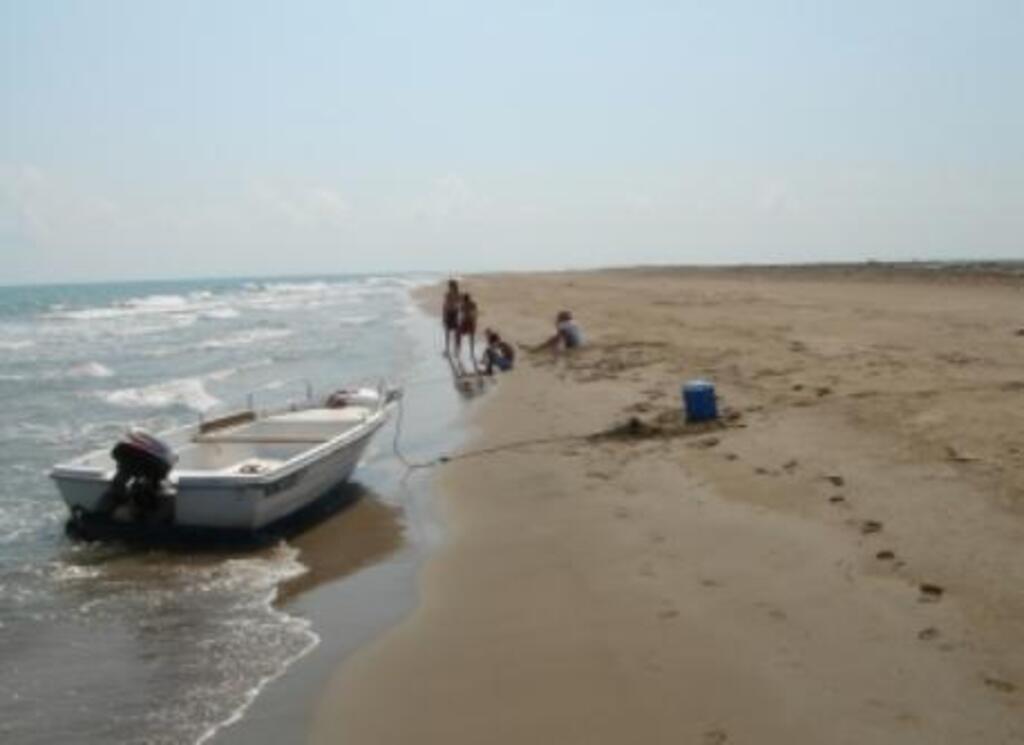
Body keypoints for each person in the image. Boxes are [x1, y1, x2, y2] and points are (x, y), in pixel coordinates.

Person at [457, 292, 480, 372]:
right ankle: (471, 352)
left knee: (463, 336)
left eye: (463, 299)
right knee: (471, 338)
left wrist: (461, 321)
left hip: (467, 322)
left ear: (465, 299)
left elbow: (462, 315)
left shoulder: (464, 305)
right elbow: (475, 313)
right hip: (469, 322)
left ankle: (462, 351)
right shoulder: (470, 304)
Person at [442, 279, 461, 355]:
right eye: (450, 286)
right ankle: (447, 349)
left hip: (456, 314)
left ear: (455, 286)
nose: (450, 288)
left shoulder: (458, 295)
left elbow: (460, 305)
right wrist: (444, 317)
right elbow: (444, 306)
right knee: (447, 333)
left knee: (457, 333)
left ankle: (456, 350)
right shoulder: (447, 295)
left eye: (451, 286)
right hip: (448, 314)